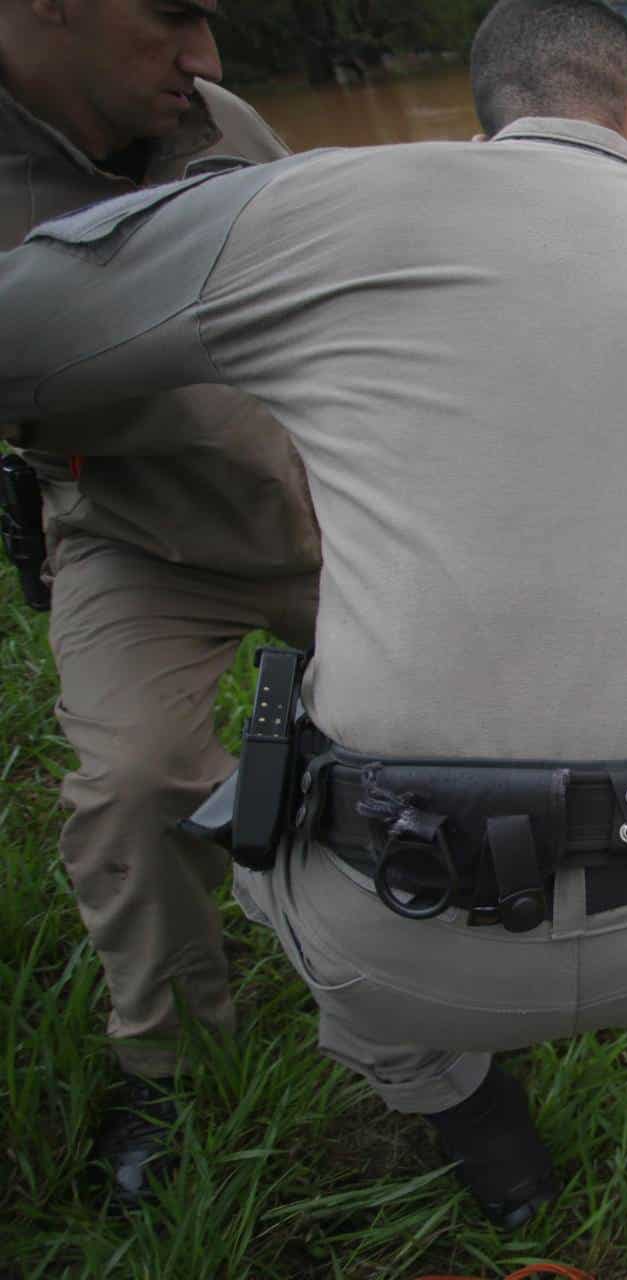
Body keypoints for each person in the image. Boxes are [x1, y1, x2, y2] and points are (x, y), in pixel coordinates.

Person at [0, 0, 627, 1271]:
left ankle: (495, 1149)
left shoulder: (310, 204)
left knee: (302, 915)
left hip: (400, 925)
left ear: (487, 116)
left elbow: (29, 320)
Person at [0, 0, 320, 1203]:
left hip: (319, 512)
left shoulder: (222, 125)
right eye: (171, 17)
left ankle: (461, 985)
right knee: (134, 783)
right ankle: (176, 1061)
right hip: (134, 539)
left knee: (456, 714)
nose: (208, 57)